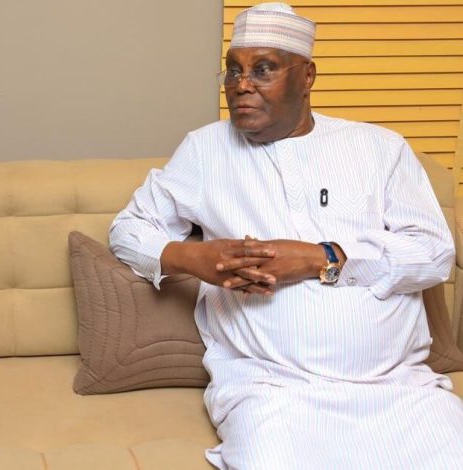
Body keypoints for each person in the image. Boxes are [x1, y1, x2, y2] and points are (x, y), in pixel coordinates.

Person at [110, 3, 463, 469]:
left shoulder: (379, 149)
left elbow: (433, 253)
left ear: (307, 76)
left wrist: (323, 257)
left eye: (263, 69)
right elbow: (128, 230)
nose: (242, 85)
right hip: (271, 390)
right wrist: (191, 258)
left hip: (398, 389)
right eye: (233, 70)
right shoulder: (206, 151)